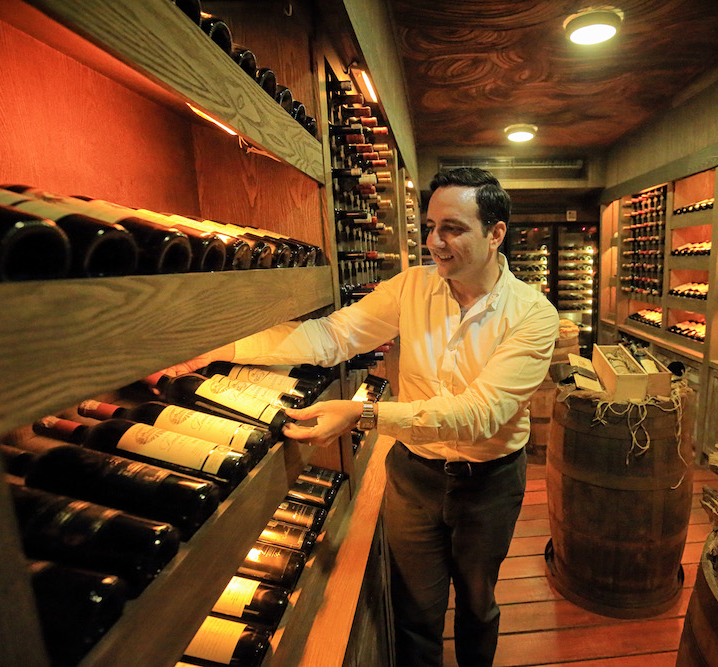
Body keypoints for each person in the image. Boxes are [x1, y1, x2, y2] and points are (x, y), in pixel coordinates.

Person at [161, 167, 560, 666]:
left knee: (478, 604)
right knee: (416, 611)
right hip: (415, 476)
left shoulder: (533, 314)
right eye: (431, 226)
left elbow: (481, 414)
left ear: (495, 233)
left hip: (490, 483)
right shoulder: (412, 286)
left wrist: (361, 413)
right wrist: (220, 347)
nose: (435, 242)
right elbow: (331, 337)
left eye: (453, 228)